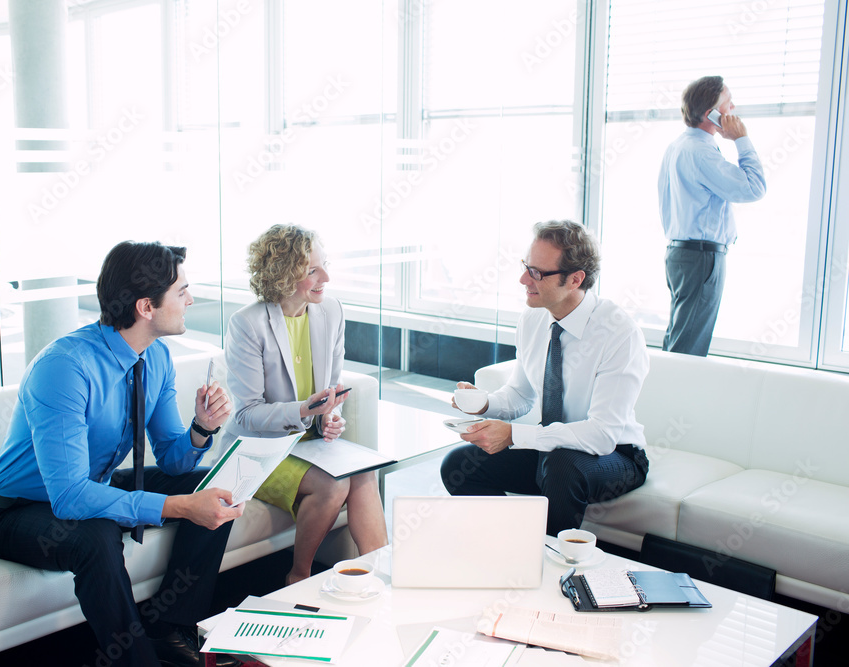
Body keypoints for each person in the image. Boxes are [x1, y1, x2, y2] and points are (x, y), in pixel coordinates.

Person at [0, 241, 243, 667]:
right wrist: (178, 507)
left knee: (207, 483)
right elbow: (68, 497)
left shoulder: (155, 357)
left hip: (93, 484)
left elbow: (174, 461)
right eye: (181, 291)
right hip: (18, 511)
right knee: (95, 534)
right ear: (146, 307)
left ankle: (172, 627)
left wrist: (202, 428)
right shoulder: (64, 366)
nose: (191, 300)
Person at [439, 220, 650, 536]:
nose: (523, 279)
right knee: (458, 464)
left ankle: (544, 569)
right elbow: (520, 396)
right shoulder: (533, 318)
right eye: (526, 266)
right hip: (554, 448)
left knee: (563, 466)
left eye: (537, 272)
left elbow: (602, 434)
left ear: (575, 279)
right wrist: (483, 403)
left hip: (617, 456)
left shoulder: (618, 332)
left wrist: (514, 436)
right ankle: (507, 544)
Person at [223, 224, 388, 585]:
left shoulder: (331, 311)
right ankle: (300, 577)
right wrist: (304, 411)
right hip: (257, 450)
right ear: (283, 276)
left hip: (307, 444)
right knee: (333, 485)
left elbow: (330, 391)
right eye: (312, 270)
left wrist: (330, 416)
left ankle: (378, 579)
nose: (325, 277)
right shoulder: (247, 324)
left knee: (362, 473)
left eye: (323, 265)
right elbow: (247, 414)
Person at [659, 75, 767, 356]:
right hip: (701, 257)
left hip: (682, 254)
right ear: (712, 114)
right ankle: (674, 399)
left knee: (679, 338)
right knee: (688, 348)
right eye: (729, 105)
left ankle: (665, 395)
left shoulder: (678, 146)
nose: (734, 110)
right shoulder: (701, 152)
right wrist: (742, 139)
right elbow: (754, 188)